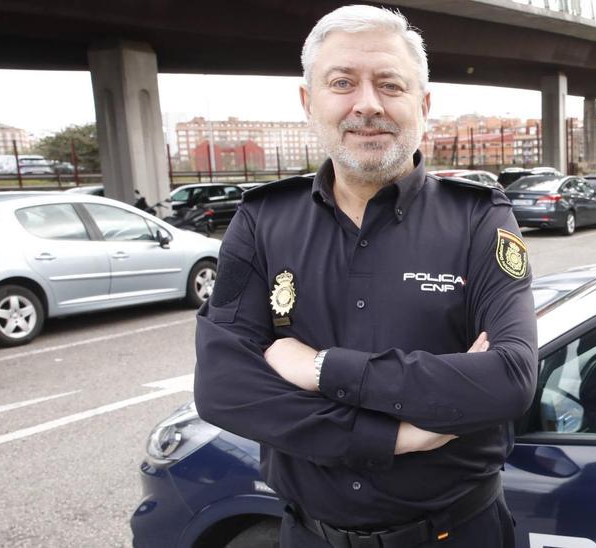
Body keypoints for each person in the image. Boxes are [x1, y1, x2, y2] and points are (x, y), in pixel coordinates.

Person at [193, 5, 537, 548]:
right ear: (309, 102)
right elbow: (224, 388)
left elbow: (510, 379)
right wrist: (397, 435)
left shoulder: (479, 218)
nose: (368, 104)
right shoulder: (262, 221)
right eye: (342, 83)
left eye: (390, 84)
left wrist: (321, 368)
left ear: (422, 105)